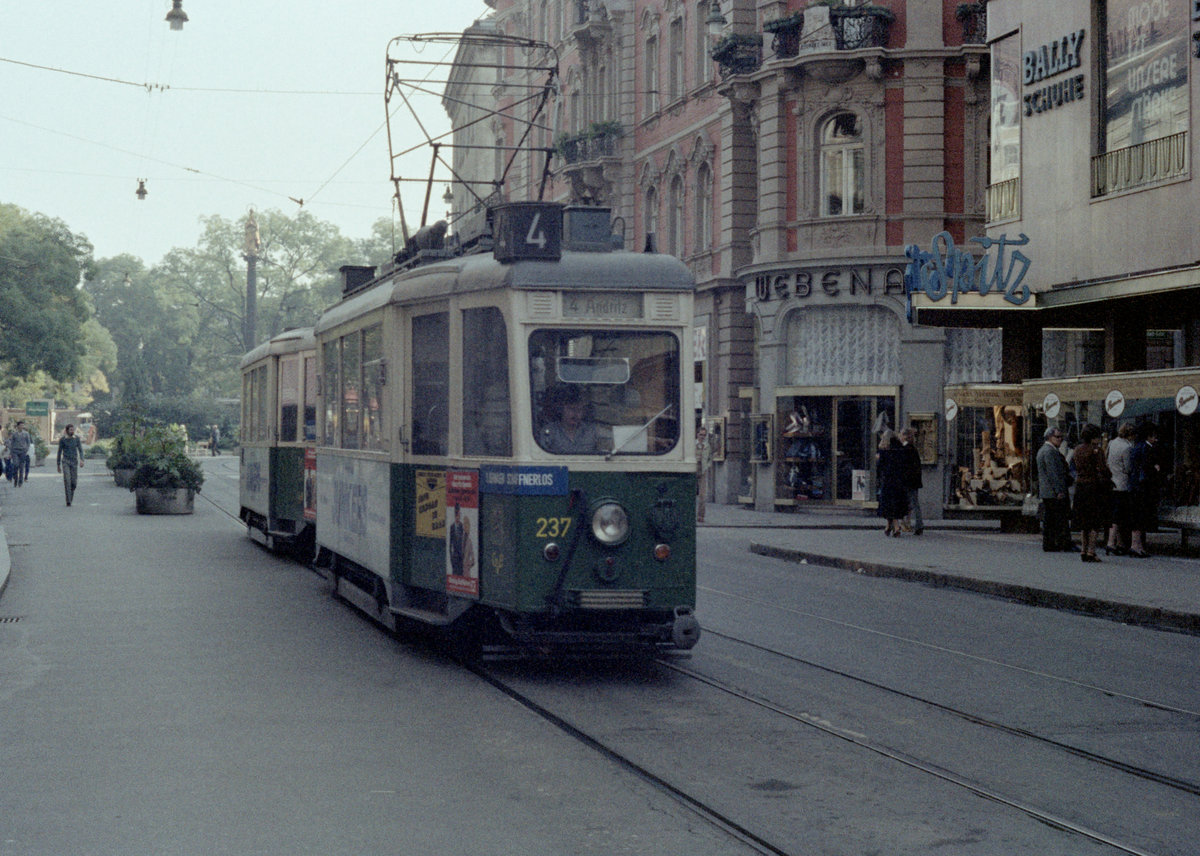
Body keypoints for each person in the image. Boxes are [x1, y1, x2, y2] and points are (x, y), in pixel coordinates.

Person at [1071, 423, 1111, 563]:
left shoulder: (1077, 450)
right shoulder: (1096, 451)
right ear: (1093, 437)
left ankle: (1083, 549)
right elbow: (1102, 468)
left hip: (1080, 487)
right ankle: (1091, 551)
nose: (1099, 439)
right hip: (1094, 487)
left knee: (1084, 522)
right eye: (1098, 436)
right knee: (1094, 522)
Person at [1036, 426, 1075, 552]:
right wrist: (1059, 490)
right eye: (1057, 437)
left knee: (1051, 519)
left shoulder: (1046, 450)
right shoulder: (1049, 451)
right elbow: (1053, 473)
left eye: (1061, 437)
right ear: (1049, 437)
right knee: (1058, 518)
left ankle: (1052, 543)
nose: (1060, 440)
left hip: (1048, 491)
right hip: (1052, 492)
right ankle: (1059, 543)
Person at [1127, 423, 1161, 559]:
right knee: (1140, 517)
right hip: (1143, 487)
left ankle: (1137, 546)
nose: (1156, 438)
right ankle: (1136, 546)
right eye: (1154, 435)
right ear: (1149, 435)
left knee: (1137, 516)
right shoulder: (1147, 448)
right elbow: (1147, 468)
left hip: (1135, 486)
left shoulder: (1136, 448)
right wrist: (1156, 468)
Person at [540, 386, 602, 454]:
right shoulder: (550, 431)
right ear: (561, 410)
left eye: (579, 410)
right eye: (571, 409)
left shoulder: (592, 431)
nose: (576, 414)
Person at [1105, 423, 1135, 555]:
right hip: (1122, 483)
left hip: (1112, 482)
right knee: (1120, 516)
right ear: (1130, 435)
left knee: (1115, 513)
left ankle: (1118, 542)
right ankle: (1112, 542)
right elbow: (1128, 467)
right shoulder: (1127, 447)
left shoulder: (1112, 443)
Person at [876, 430, 909, 537]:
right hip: (899, 481)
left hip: (888, 480)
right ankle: (889, 526)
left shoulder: (884, 450)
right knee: (895, 503)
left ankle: (895, 527)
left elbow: (880, 466)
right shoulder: (900, 449)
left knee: (889, 504)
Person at [898, 427, 924, 535]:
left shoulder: (906, 449)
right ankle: (911, 523)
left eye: (901, 435)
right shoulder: (913, 448)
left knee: (912, 503)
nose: (900, 437)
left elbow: (904, 466)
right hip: (914, 480)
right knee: (913, 503)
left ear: (904, 436)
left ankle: (918, 524)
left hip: (908, 481)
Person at [56, 423, 85, 506]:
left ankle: (70, 495)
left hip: (74, 462)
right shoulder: (62, 440)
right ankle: (68, 500)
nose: (72, 431)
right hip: (65, 461)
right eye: (70, 430)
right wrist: (58, 465)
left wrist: (82, 460)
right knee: (67, 480)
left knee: (74, 483)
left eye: (73, 430)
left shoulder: (76, 439)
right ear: (67, 430)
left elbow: (80, 450)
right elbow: (59, 452)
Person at [8, 421, 32, 488]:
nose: (22, 426)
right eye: (21, 425)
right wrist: (11, 452)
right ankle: (15, 478)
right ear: (18, 426)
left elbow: (28, 443)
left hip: (22, 451)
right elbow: (11, 443)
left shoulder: (26, 434)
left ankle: (20, 481)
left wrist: (26, 449)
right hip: (15, 451)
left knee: (21, 467)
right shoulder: (14, 434)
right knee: (15, 464)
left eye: (23, 425)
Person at [696, 424, 712, 524]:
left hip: (703, 470)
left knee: (702, 495)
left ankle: (701, 516)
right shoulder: (693, 444)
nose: (702, 436)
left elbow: (710, 458)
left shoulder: (707, 446)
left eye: (704, 435)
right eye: (701, 434)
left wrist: (707, 466)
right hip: (693, 469)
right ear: (697, 435)